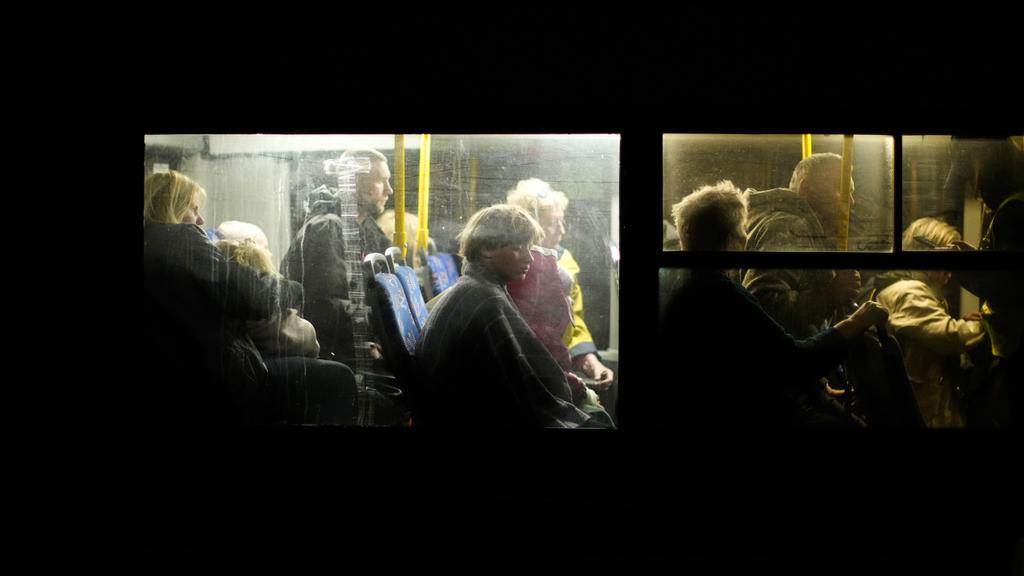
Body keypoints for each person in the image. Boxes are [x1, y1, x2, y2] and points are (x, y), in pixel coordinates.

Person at [658, 180, 888, 428]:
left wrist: (815, 389)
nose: (746, 237)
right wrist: (856, 322)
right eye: (742, 229)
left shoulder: (681, 282)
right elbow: (795, 363)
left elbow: (751, 357)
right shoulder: (718, 292)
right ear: (732, 238)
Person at [415, 204, 614, 428]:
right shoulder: (486, 300)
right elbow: (520, 386)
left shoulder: (479, 288)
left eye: (529, 247)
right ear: (487, 248)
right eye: (518, 248)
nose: (530, 258)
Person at [143, 170, 285, 429]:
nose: (201, 220)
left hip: (168, 380)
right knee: (334, 376)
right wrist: (273, 279)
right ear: (171, 207)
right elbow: (258, 299)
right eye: (193, 209)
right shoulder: (180, 239)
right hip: (209, 383)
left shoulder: (150, 243)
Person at [216, 238, 358, 425]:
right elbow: (308, 342)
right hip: (254, 370)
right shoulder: (262, 303)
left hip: (244, 369)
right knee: (341, 375)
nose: (271, 253)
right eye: (264, 248)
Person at [280, 148, 394, 365]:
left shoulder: (368, 230)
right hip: (330, 355)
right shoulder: (327, 228)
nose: (390, 190)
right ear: (356, 182)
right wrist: (370, 338)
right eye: (381, 180)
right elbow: (328, 307)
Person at [869, 218, 984, 427]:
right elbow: (950, 337)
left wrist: (963, 323)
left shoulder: (915, 291)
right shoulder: (909, 292)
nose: (950, 273)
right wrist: (988, 323)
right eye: (946, 263)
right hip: (923, 417)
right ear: (927, 253)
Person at [945, 137, 1024, 427]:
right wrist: (977, 258)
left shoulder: (1012, 212)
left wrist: (963, 268)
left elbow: (1009, 287)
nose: (975, 187)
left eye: (973, 169)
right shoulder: (1013, 205)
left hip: (1016, 346)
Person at [506, 178, 615, 387]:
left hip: (555, 367)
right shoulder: (508, 262)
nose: (562, 231)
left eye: (562, 222)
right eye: (553, 224)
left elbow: (574, 321)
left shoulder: (565, 262)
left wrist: (591, 362)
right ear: (530, 226)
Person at [742, 153, 863, 339]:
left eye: (851, 193)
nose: (851, 202)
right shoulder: (790, 226)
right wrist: (830, 295)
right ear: (806, 188)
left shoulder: (789, 223)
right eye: (841, 190)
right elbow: (763, 307)